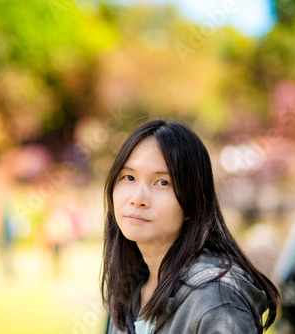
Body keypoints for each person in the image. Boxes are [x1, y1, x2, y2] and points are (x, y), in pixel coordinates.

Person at [101, 119, 279, 334]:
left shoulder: (216, 298)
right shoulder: (130, 288)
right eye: (129, 177)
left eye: (163, 182)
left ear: (192, 202)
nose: (137, 198)